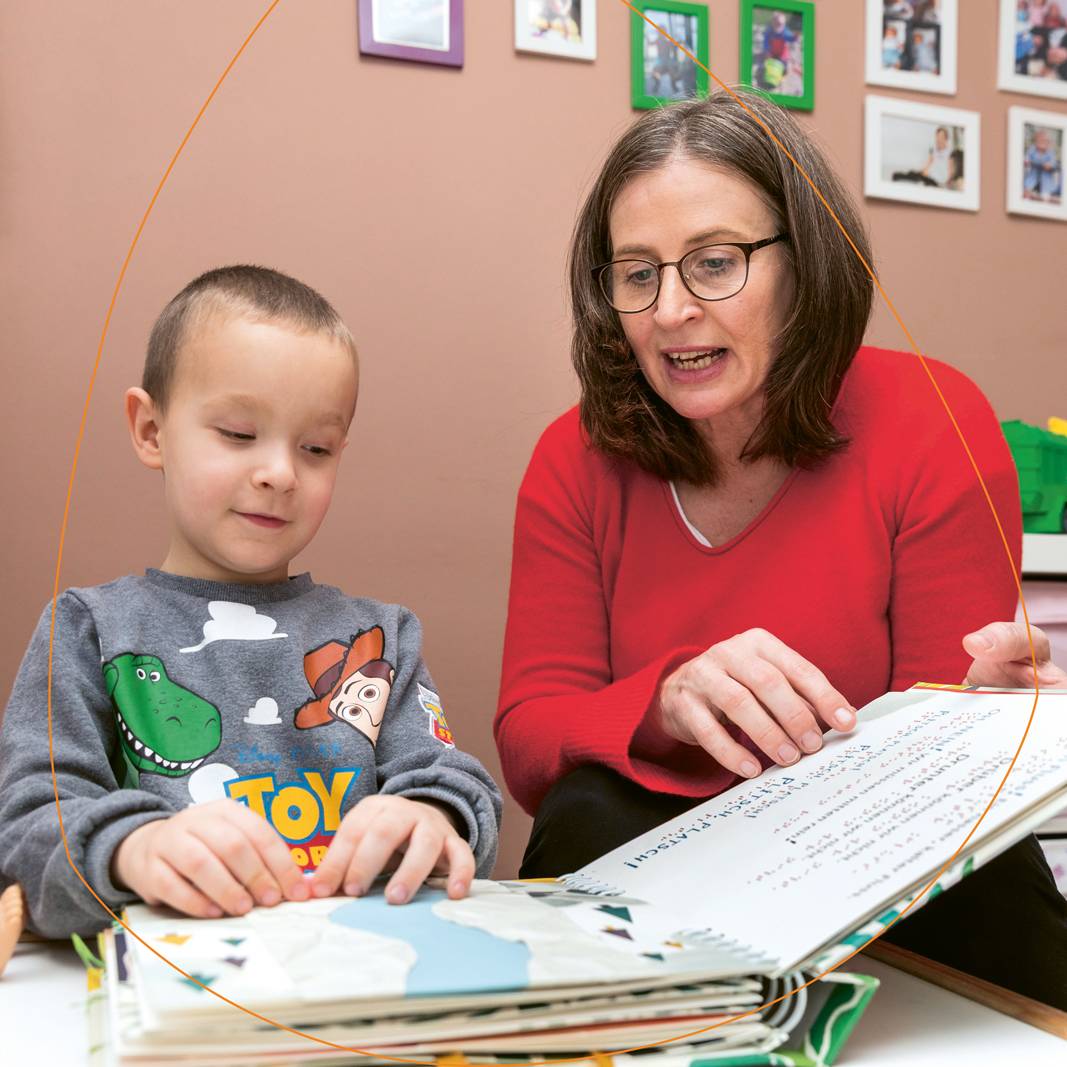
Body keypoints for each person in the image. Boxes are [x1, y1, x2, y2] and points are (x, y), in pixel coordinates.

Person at [494, 89, 1067, 1007]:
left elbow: (936, 774)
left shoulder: (935, 421)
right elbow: (529, 739)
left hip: (886, 852)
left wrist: (985, 719)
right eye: (636, 273)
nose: (671, 309)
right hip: (663, 861)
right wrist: (664, 700)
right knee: (583, 810)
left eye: (715, 262)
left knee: (989, 878)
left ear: (806, 262)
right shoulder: (572, 458)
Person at [0, 266, 501, 938]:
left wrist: (432, 817)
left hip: (352, 975)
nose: (280, 472)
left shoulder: (379, 638)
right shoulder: (89, 629)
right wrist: (132, 848)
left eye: (316, 448)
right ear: (150, 430)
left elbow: (458, 786)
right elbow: (28, 826)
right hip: (169, 991)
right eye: (238, 433)